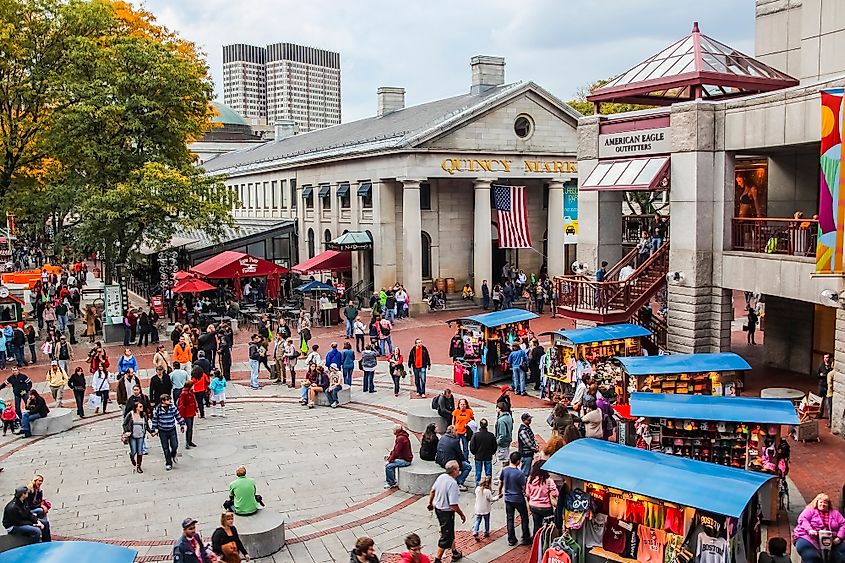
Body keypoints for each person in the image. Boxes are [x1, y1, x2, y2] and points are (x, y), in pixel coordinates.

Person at [427, 460, 466, 563]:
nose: (459, 471)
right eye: (458, 469)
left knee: (449, 531)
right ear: (453, 470)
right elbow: (453, 505)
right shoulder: (452, 484)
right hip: (446, 512)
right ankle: (437, 559)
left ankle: (454, 552)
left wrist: (430, 503)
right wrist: (461, 514)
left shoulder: (441, 477)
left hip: (438, 509)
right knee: (446, 536)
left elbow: (432, 491)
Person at [793, 493, 845, 563]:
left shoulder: (835, 513)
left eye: (825, 503)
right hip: (809, 538)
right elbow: (802, 519)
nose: (823, 504)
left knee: (841, 552)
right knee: (810, 555)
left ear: (828, 504)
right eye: (821, 502)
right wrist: (810, 530)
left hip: (831, 539)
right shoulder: (810, 510)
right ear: (817, 502)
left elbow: (843, 524)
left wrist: (839, 537)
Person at [499, 451, 530, 547]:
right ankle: (525, 537)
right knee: (524, 517)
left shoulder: (504, 470)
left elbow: (501, 483)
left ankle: (511, 539)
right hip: (518, 498)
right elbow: (524, 486)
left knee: (510, 518)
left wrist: (500, 492)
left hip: (508, 498)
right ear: (517, 461)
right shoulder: (519, 473)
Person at [150, 394, 185, 471]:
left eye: (170, 399)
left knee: (175, 445)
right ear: (163, 401)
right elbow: (155, 420)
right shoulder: (158, 409)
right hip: (162, 431)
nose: (170, 401)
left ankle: (173, 454)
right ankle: (168, 463)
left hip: (172, 429)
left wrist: (182, 425)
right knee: (165, 448)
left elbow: (178, 416)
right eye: (168, 400)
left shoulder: (172, 407)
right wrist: (153, 430)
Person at [525, 459, 558, 537]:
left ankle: (535, 541)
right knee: (548, 527)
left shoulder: (530, 479)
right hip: (546, 507)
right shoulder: (548, 481)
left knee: (537, 525)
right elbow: (555, 493)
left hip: (533, 505)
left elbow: (527, 493)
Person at [435, 425, 472, 491]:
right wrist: (464, 460)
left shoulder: (442, 438)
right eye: (455, 431)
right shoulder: (454, 441)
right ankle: (459, 482)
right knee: (468, 466)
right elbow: (459, 454)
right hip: (449, 461)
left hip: (440, 460)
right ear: (452, 432)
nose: (456, 432)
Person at [123, 400, 150, 473]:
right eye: (140, 407)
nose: (142, 408)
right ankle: (131, 456)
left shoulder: (143, 415)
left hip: (141, 435)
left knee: (140, 451)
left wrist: (151, 432)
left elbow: (146, 425)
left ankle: (139, 466)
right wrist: (127, 431)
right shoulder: (130, 414)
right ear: (136, 408)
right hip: (132, 436)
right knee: (134, 450)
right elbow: (124, 424)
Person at [469, 418, 497, 485]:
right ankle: (488, 485)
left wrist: (474, 453)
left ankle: (478, 486)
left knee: (478, 472)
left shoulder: (476, 435)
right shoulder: (491, 435)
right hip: (488, 456)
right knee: (488, 473)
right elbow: (494, 446)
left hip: (478, 456)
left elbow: (472, 446)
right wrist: (492, 453)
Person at [384, 424, 413, 489]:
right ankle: (392, 479)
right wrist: (390, 456)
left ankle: (391, 483)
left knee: (388, 467)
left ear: (396, 431)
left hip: (406, 460)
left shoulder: (400, 438)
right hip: (404, 458)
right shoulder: (402, 437)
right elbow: (395, 450)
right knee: (390, 464)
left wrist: (389, 460)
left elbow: (396, 451)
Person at [473, 476, 499, 540]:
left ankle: (475, 531)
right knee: (486, 520)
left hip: (478, 508)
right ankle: (486, 532)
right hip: (486, 509)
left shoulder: (477, 489)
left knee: (477, 520)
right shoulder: (487, 491)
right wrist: (498, 496)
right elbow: (491, 499)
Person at [177, 381, 199, 449]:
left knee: (191, 427)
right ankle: (187, 442)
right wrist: (182, 416)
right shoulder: (184, 394)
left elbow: (194, 400)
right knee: (189, 427)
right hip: (187, 413)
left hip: (191, 411)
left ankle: (190, 441)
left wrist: (196, 409)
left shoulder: (190, 392)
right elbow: (181, 405)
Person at [495, 402, 514, 466]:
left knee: (504, 461)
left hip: (503, 443)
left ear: (500, 409)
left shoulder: (501, 420)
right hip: (508, 440)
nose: (496, 410)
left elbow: (502, 435)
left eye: (497, 408)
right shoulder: (509, 416)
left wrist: (496, 442)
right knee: (506, 458)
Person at [818, 353, 834, 419]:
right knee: (821, 402)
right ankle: (819, 414)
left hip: (828, 386)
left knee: (828, 403)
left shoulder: (831, 366)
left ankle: (830, 418)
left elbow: (830, 374)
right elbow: (818, 375)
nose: (826, 359)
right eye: (825, 357)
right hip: (822, 385)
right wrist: (821, 375)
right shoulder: (821, 366)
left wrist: (825, 374)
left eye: (827, 357)